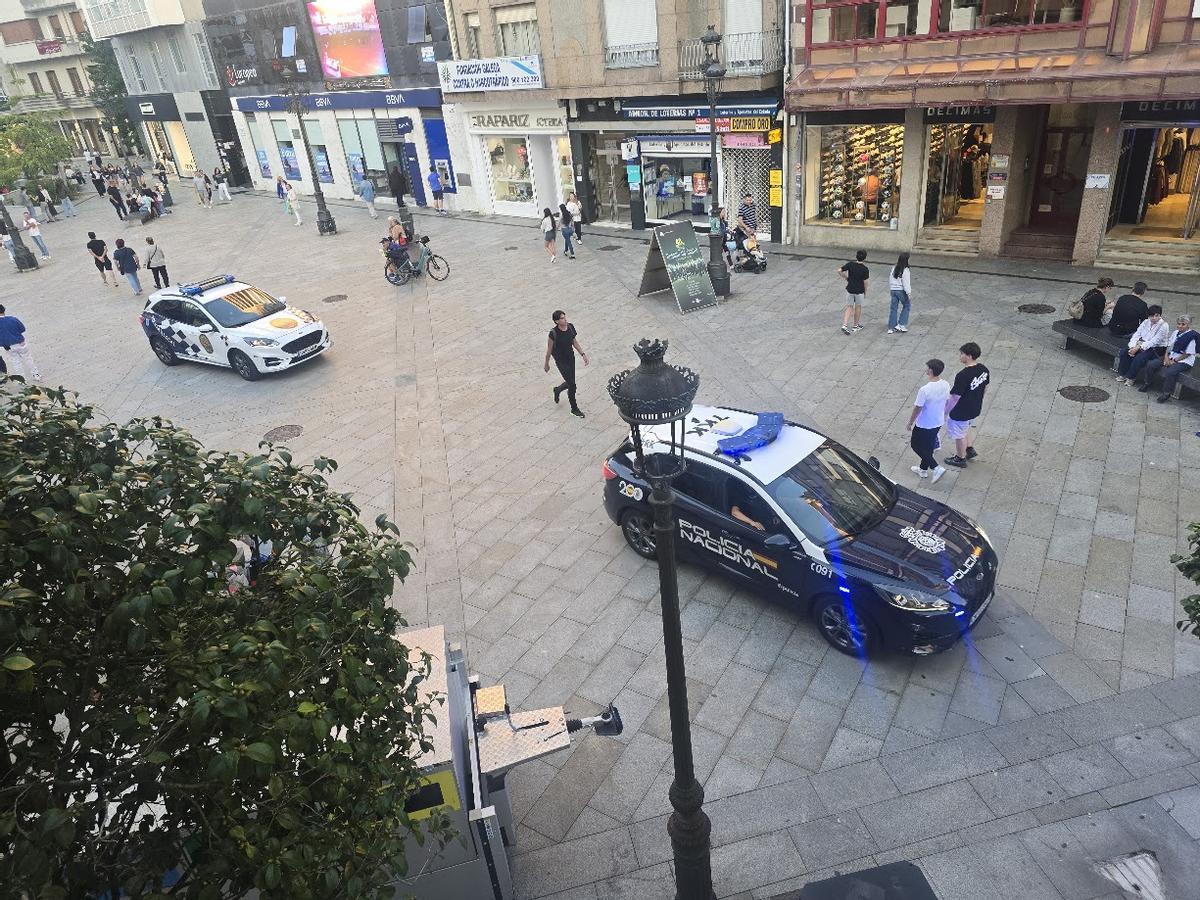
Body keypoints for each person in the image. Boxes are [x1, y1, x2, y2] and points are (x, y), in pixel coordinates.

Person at [943, 342, 989, 468]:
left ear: (968, 356)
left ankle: (960, 458)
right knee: (965, 427)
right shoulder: (983, 369)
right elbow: (985, 388)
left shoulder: (963, 375)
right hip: (975, 407)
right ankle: (969, 448)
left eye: (962, 353)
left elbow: (955, 398)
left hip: (961, 411)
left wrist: (945, 412)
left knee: (959, 434)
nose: (960, 356)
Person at [907, 359, 949, 483]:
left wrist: (910, 422)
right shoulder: (946, 384)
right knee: (929, 446)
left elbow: (917, 408)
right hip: (938, 421)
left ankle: (935, 467)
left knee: (916, 445)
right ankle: (923, 469)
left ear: (930, 370)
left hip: (924, 423)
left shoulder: (925, 389)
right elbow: (946, 400)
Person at [1138, 314, 1196, 402]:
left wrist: (1174, 361)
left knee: (1171, 372)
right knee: (1151, 364)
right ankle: (1148, 382)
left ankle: (1166, 393)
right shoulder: (1175, 332)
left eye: (1183, 324)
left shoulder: (1192, 337)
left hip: (1184, 360)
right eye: (1179, 324)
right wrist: (1166, 358)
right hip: (1171, 356)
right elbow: (1169, 347)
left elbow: (1187, 354)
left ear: (1188, 325)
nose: (1180, 326)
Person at [544, 309, 588, 418]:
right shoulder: (553, 333)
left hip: (570, 358)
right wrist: (546, 363)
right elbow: (549, 350)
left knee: (570, 382)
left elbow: (574, 342)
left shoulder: (570, 327)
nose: (565, 319)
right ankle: (574, 409)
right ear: (556, 321)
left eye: (565, 317)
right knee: (572, 385)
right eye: (562, 318)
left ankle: (557, 390)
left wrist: (583, 354)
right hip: (561, 361)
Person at [1117, 305, 1169, 385]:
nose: (1154, 318)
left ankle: (1131, 377)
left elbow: (1154, 341)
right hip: (1141, 344)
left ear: (1160, 315)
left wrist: (1138, 347)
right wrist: (1132, 346)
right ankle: (1123, 374)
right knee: (1124, 352)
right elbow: (1137, 334)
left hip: (1156, 349)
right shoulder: (1146, 322)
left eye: (1156, 315)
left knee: (1139, 358)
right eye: (1152, 316)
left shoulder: (1164, 326)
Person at [0, 305, 40, 381]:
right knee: (28, 358)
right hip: (20, 343)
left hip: (8, 346)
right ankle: (36, 374)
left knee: (16, 362)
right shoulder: (12, 319)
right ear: (3, 311)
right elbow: (22, 329)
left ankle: (21, 380)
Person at [838, 250, 869, 334]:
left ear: (856, 256)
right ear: (865, 258)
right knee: (858, 307)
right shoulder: (865, 269)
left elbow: (839, 270)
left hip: (850, 289)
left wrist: (846, 278)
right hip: (859, 291)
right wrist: (865, 293)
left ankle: (844, 325)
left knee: (849, 307)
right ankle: (855, 326)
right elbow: (865, 283)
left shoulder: (850, 264)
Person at [887, 252, 912, 335]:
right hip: (900, 290)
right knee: (907, 305)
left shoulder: (894, 267)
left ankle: (891, 327)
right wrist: (909, 293)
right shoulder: (906, 270)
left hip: (893, 290)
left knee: (893, 308)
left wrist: (891, 288)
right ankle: (901, 324)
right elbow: (906, 283)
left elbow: (890, 279)